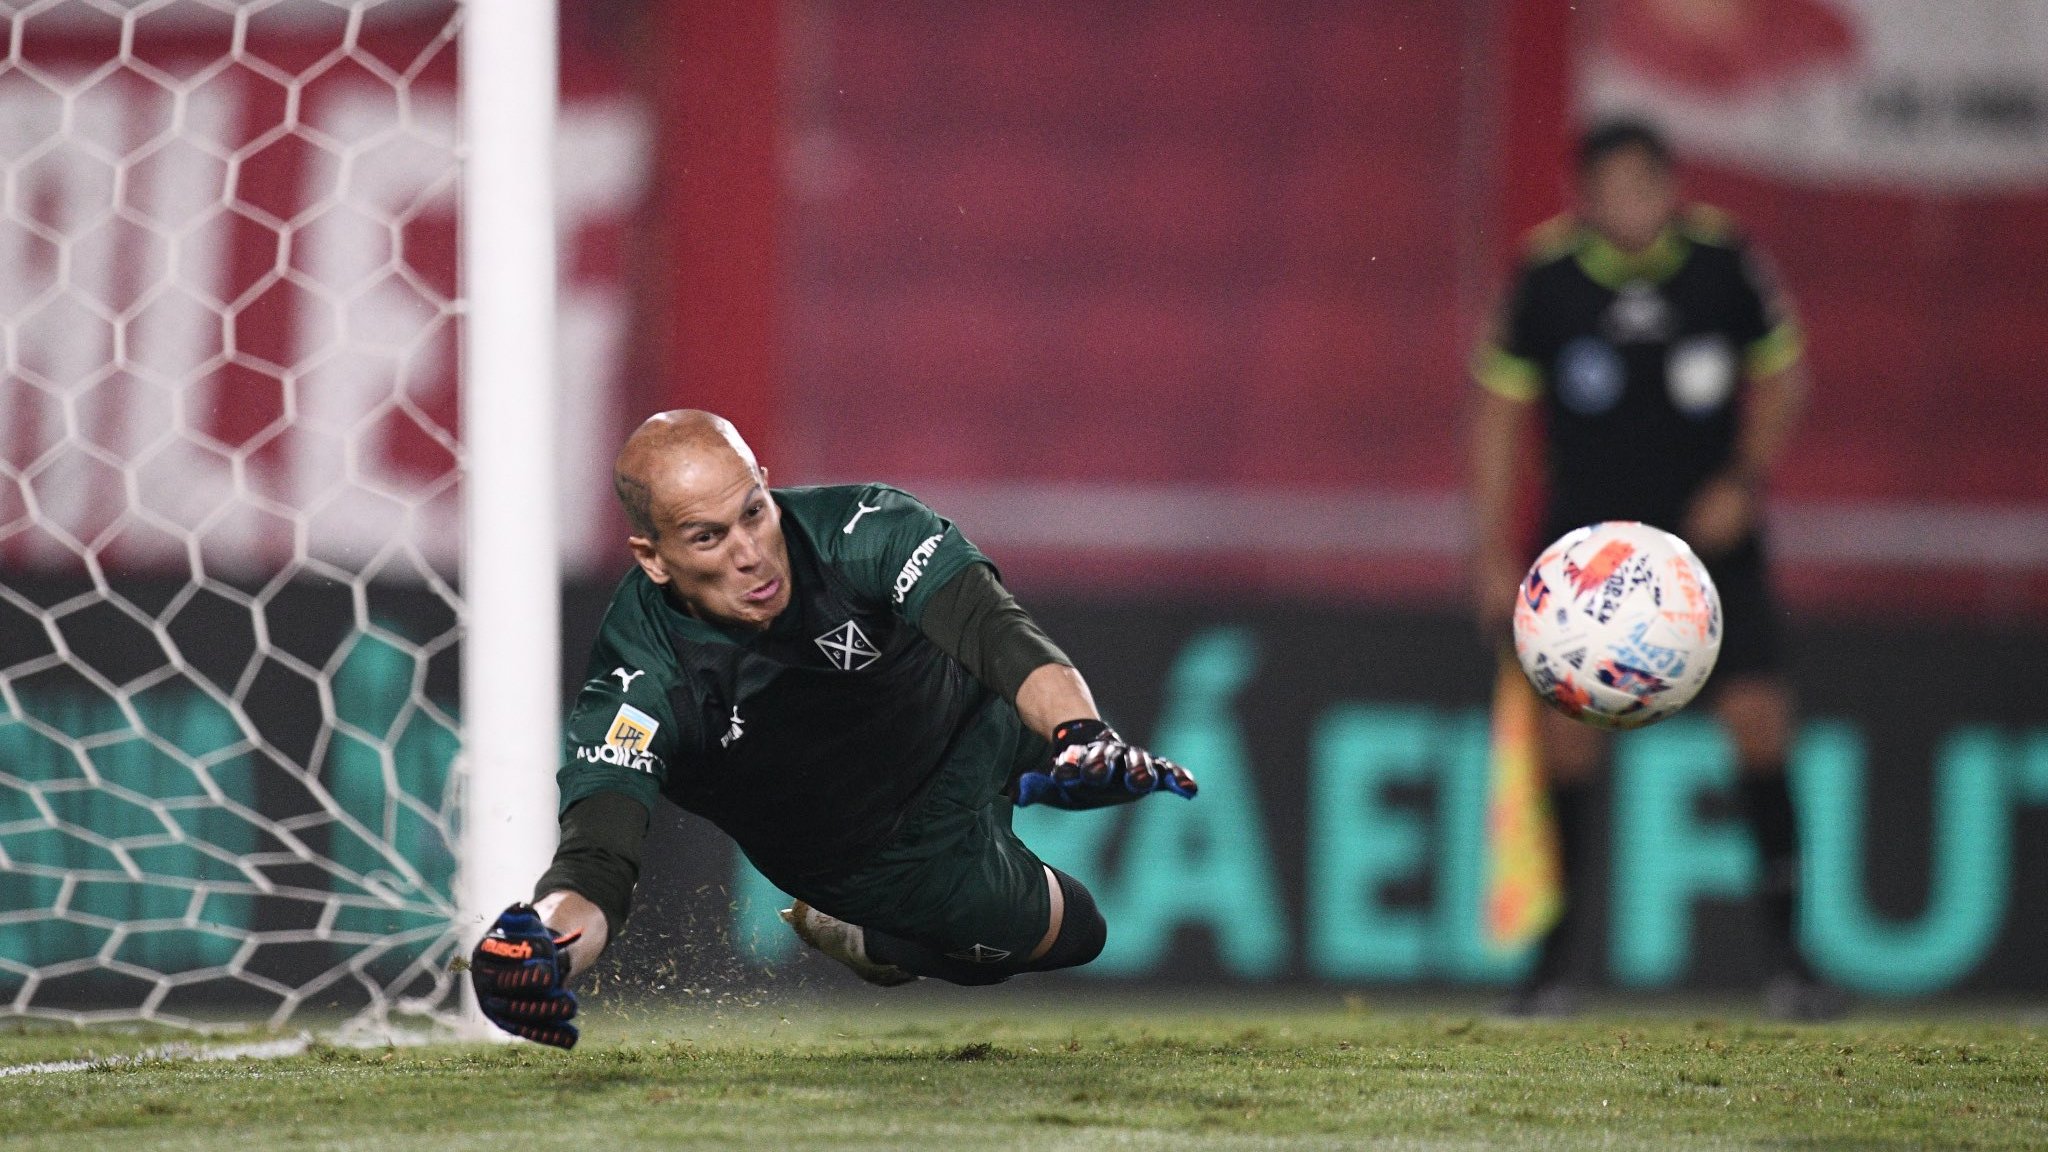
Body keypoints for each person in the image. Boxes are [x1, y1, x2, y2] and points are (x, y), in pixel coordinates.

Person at [467, 410, 1197, 1048]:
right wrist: (542, 950)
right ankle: (870, 941)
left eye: (753, 512)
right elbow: (597, 863)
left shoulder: (862, 529)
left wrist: (1081, 732)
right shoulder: (640, 683)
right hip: (884, 853)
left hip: (969, 712)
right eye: (707, 537)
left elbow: (995, 632)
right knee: (1081, 931)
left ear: (764, 482)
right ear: (653, 559)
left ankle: (1054, 763)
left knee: (1110, 777)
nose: (750, 553)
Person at [1469, 119, 1845, 1020]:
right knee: (1566, 739)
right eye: (1611, 188)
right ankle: (1552, 962)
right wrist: (1490, 552)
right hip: (1587, 559)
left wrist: (1742, 481)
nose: (1630, 205)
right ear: (1584, 198)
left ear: (1670, 188)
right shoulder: (1549, 276)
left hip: (1708, 547)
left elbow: (1785, 380)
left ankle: (1791, 961)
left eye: (1645, 185)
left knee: (1758, 719)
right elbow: (1496, 416)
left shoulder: (1722, 262)